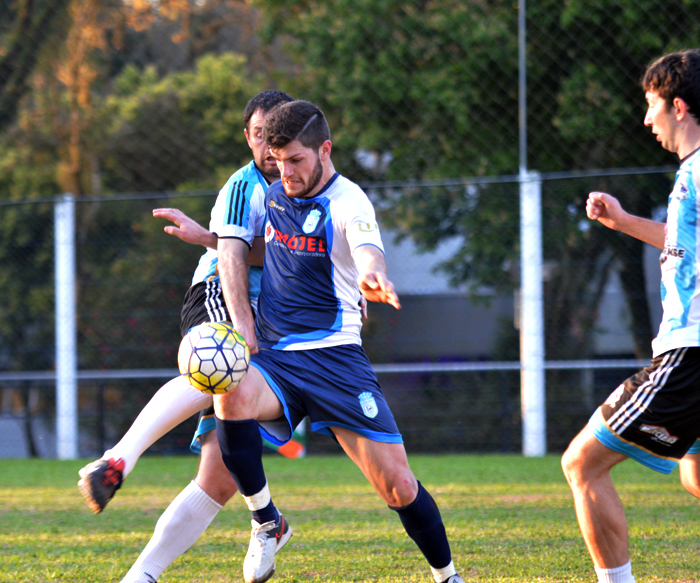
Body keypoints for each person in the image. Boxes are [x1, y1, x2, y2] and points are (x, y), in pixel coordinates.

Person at [212, 99, 464, 583]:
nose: (284, 172)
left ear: (325, 150)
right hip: (278, 358)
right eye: (278, 161)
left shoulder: (350, 201)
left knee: (398, 487)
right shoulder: (269, 194)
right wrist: (209, 237)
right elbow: (261, 248)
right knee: (230, 388)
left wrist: (373, 276)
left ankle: (447, 576)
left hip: (336, 361)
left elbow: (366, 249)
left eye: (296, 161)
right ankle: (267, 521)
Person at [78, 89, 297, 583]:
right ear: (247, 137)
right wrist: (219, 258)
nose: (268, 145)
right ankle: (118, 460)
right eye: (258, 135)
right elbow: (239, 254)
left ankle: (147, 572)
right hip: (225, 294)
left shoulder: (309, 185)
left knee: (219, 478)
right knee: (219, 358)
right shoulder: (246, 186)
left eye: (276, 135)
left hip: (278, 326)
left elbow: (303, 252)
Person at [561, 49, 700, 583]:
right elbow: (682, 240)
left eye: (651, 105)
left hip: (689, 352)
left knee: (582, 464)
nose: (647, 119)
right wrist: (622, 222)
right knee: (695, 473)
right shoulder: (689, 173)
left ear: (679, 106)